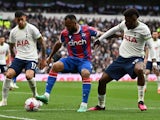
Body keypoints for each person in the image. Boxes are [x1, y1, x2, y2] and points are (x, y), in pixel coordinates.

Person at [88, 8, 157, 111]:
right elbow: (113, 30)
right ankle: (101, 105)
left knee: (139, 70)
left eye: (128, 21)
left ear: (134, 19)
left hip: (136, 58)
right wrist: (100, 39)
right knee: (102, 81)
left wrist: (154, 62)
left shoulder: (144, 29)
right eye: (125, 20)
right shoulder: (124, 24)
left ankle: (141, 101)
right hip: (121, 60)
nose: (126, 23)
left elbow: (151, 45)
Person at [36, 14, 103, 112]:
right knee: (55, 66)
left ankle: (84, 104)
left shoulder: (87, 30)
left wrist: (119, 34)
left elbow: (103, 34)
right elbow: (58, 44)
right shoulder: (65, 33)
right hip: (71, 60)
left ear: (74, 23)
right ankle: (46, 95)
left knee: (85, 73)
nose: (66, 28)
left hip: (84, 61)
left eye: (68, 25)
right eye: (65, 25)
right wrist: (50, 57)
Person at [0, 10, 46, 106]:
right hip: (19, 58)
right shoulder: (13, 32)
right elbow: (11, 45)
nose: (20, 22)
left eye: (22, 19)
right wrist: (13, 56)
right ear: (15, 20)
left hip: (31, 57)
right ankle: (4, 100)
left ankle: (35, 95)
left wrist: (43, 59)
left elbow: (42, 43)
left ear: (25, 18)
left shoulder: (32, 29)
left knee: (29, 76)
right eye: (18, 20)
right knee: (8, 75)